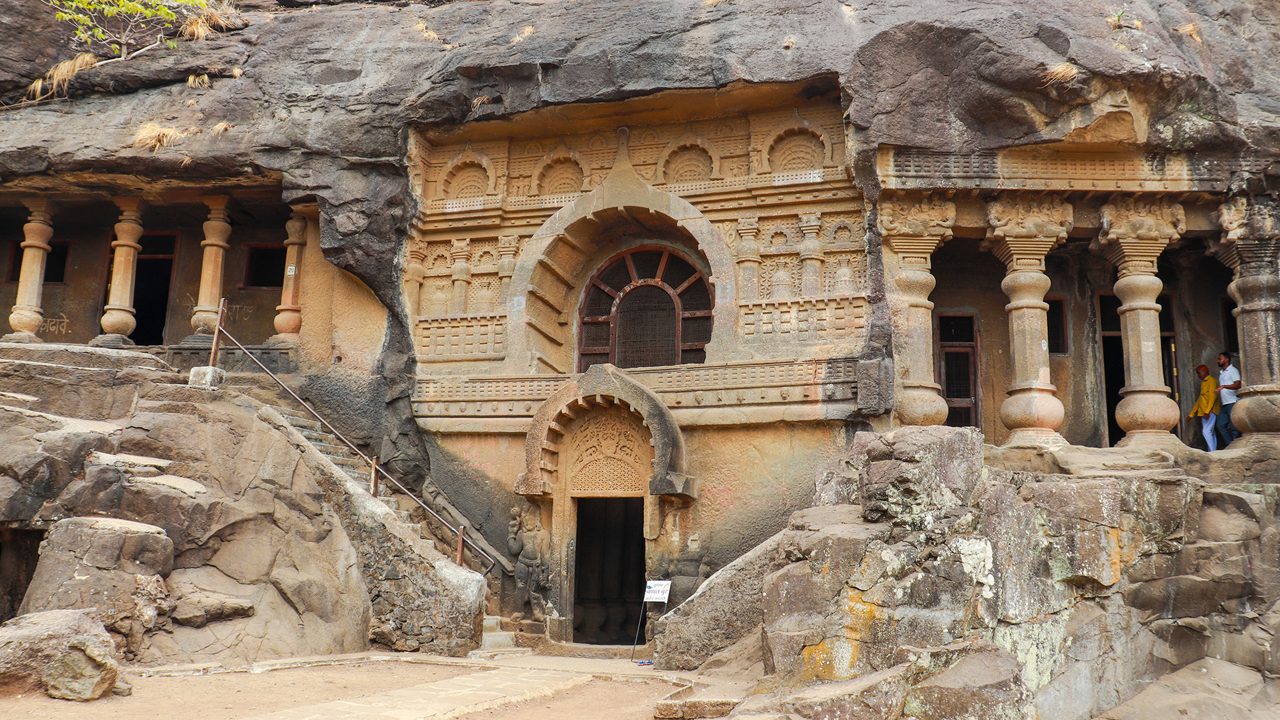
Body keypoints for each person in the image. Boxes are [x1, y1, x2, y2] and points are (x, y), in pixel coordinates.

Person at [1188, 364, 1220, 451]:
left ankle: (1212, 452)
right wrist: (1191, 414)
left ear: (1205, 371)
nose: (1198, 375)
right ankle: (1213, 451)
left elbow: (1213, 397)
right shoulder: (1203, 383)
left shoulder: (1211, 381)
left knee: (1206, 431)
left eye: (1199, 373)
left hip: (1209, 412)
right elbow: (1200, 400)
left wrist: (1207, 411)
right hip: (1204, 412)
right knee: (1211, 432)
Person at [1216, 351, 1242, 448]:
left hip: (1232, 401)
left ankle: (1236, 446)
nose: (1218, 361)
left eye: (1220, 358)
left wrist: (1223, 386)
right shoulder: (1222, 373)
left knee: (1234, 426)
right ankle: (1230, 445)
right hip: (1224, 403)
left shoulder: (1233, 371)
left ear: (1226, 359)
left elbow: (1238, 384)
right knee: (1220, 425)